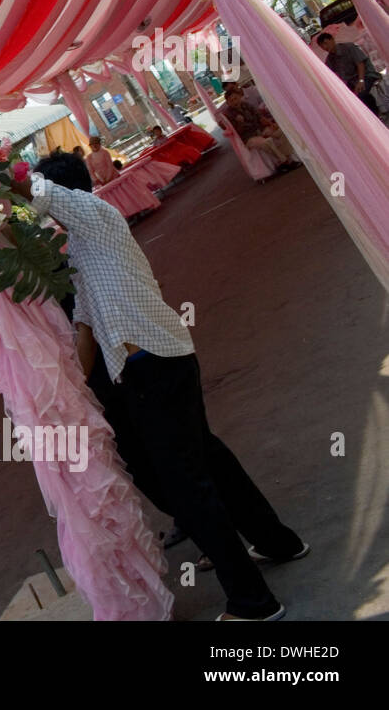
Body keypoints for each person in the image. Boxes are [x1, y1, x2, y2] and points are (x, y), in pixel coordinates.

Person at [16, 152, 308, 621]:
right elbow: (87, 328)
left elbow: (36, 192)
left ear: (67, 194)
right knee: (209, 459)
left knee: (188, 485)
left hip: (153, 367)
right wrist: (72, 397)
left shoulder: (93, 214)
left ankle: (253, 603)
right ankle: (277, 541)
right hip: (155, 364)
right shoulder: (86, 249)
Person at [221, 84, 300, 172]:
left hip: (259, 130)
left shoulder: (246, 105)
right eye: (231, 101)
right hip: (248, 137)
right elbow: (237, 133)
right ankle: (285, 162)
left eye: (235, 98)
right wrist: (240, 123)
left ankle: (287, 156)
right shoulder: (229, 114)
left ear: (239, 97)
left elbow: (260, 117)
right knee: (267, 142)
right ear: (227, 103)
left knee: (281, 132)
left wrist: (271, 124)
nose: (235, 102)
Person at [315, 32, 381, 115]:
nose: (325, 47)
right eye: (322, 46)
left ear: (332, 40)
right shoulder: (330, 60)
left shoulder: (349, 47)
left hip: (365, 75)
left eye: (326, 43)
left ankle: (376, 114)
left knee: (362, 95)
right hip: (351, 82)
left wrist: (361, 80)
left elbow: (360, 63)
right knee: (347, 101)